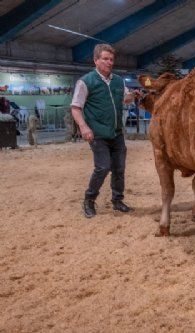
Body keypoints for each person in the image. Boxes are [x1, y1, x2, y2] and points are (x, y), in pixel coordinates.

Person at [71, 44, 136, 218]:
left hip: (116, 132)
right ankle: (89, 200)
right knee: (102, 167)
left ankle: (117, 200)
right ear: (96, 60)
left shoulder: (118, 81)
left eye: (111, 59)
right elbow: (76, 108)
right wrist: (83, 127)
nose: (109, 62)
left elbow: (125, 100)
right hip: (97, 133)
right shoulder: (86, 81)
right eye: (105, 59)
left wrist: (131, 96)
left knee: (119, 168)